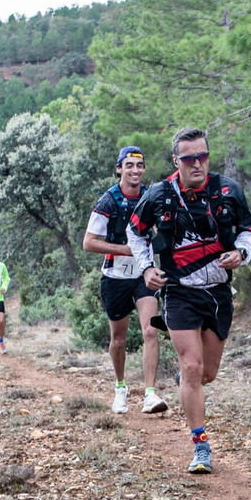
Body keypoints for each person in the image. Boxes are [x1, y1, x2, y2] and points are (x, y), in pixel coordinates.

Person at [127, 128, 251, 474]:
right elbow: (134, 232)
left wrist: (241, 253)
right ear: (176, 161)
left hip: (217, 291)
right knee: (191, 367)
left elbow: (247, 231)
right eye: (189, 158)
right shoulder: (158, 195)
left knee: (207, 373)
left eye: (203, 156)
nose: (197, 163)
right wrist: (146, 269)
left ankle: (189, 389)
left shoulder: (228, 190)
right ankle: (200, 445)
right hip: (178, 289)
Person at [82, 146, 169, 415]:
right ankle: (121, 388)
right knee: (118, 340)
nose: (135, 170)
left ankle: (150, 395)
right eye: (129, 165)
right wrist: (125, 249)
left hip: (144, 274)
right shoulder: (108, 201)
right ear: (119, 168)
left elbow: (161, 233)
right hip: (115, 277)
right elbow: (88, 243)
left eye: (139, 166)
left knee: (150, 331)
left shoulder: (151, 196)